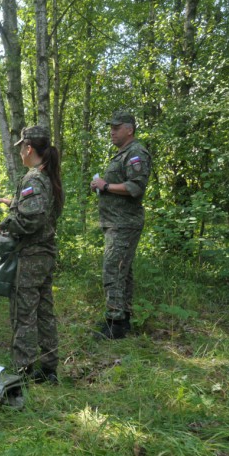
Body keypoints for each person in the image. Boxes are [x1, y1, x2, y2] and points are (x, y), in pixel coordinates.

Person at [0, 125, 63, 384]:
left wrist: (5, 225)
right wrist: (13, 205)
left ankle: (23, 371)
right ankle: (49, 368)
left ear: (29, 148)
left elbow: (32, 218)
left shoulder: (34, 178)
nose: (20, 153)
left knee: (24, 314)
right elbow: (40, 211)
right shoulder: (47, 177)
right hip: (44, 255)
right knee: (45, 312)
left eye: (21, 148)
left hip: (31, 256)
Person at [90, 111, 152, 339]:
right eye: (111, 127)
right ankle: (122, 320)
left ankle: (114, 324)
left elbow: (136, 187)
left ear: (130, 129)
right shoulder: (123, 154)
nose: (112, 132)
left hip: (124, 223)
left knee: (113, 271)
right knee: (122, 272)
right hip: (116, 222)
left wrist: (106, 186)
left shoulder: (135, 153)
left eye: (117, 128)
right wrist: (100, 186)